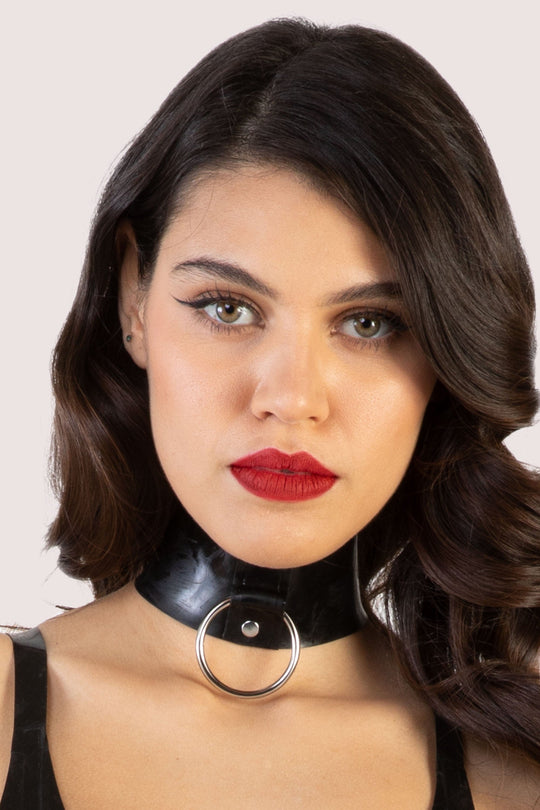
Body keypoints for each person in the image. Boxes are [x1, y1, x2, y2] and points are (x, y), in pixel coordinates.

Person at [0, 17, 539, 808]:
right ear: (134, 297)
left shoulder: (514, 770)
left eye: (370, 323)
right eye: (227, 307)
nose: (290, 399)